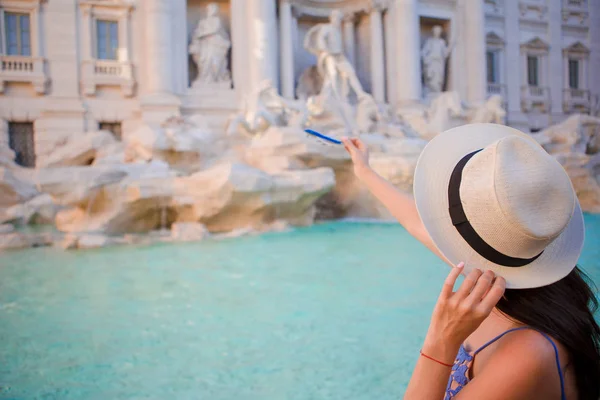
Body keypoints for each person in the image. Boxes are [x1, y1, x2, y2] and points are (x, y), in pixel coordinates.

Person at [341, 123, 600, 400]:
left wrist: (441, 339)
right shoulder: (499, 276)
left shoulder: (528, 353)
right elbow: (416, 222)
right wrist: (364, 171)